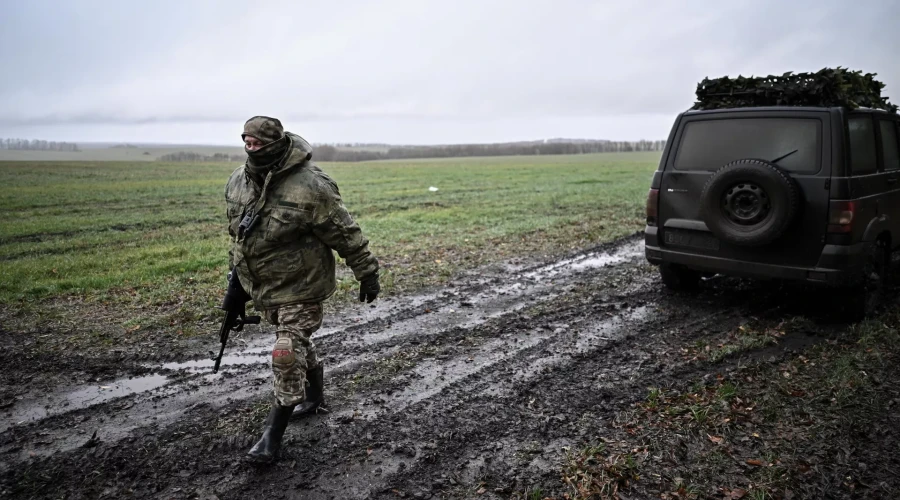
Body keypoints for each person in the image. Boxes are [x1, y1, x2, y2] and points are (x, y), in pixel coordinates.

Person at [224, 116, 380, 464]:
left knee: (286, 352)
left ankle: (271, 436)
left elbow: (346, 233)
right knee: (298, 343)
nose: (251, 149)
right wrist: (236, 286)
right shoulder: (238, 181)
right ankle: (314, 398)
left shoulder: (312, 186)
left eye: (258, 144)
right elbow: (239, 238)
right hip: (267, 285)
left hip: (304, 285)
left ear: (276, 144)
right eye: (246, 142)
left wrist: (367, 272)